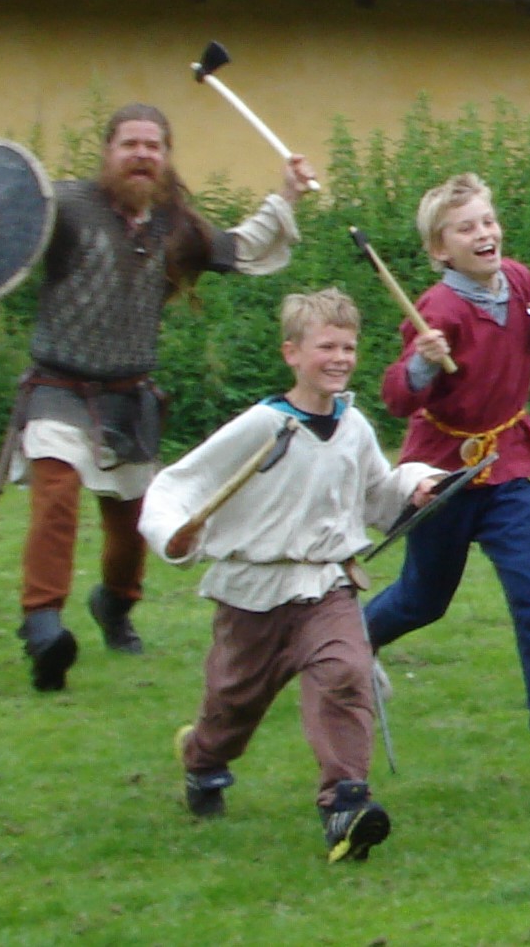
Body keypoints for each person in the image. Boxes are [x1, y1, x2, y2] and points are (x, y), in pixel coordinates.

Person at [11, 103, 312, 691]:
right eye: (130, 144)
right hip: (58, 386)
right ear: (108, 153)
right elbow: (4, 235)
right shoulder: (65, 209)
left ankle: (115, 604)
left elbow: (240, 248)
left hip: (127, 395)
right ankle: (42, 624)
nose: (142, 154)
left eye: (153, 145)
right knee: (56, 494)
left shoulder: (174, 224)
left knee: (131, 527)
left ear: (166, 157)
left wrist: (286, 197)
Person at [141, 290, 440, 862]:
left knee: (347, 674)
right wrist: (173, 532)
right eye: (326, 346)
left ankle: (346, 807)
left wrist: (416, 487)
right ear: (292, 354)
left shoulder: (352, 427)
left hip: (327, 586)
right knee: (232, 706)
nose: (340, 357)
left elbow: (376, 495)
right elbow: (178, 486)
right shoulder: (261, 426)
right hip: (253, 595)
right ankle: (203, 762)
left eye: (349, 347)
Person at [361, 174, 530, 789]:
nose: (483, 233)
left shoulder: (515, 281)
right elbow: (393, 398)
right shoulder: (437, 311)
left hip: (508, 465)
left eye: (487, 221)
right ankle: (353, 640)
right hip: (443, 475)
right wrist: (418, 364)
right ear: (441, 249)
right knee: (423, 598)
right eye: (466, 227)